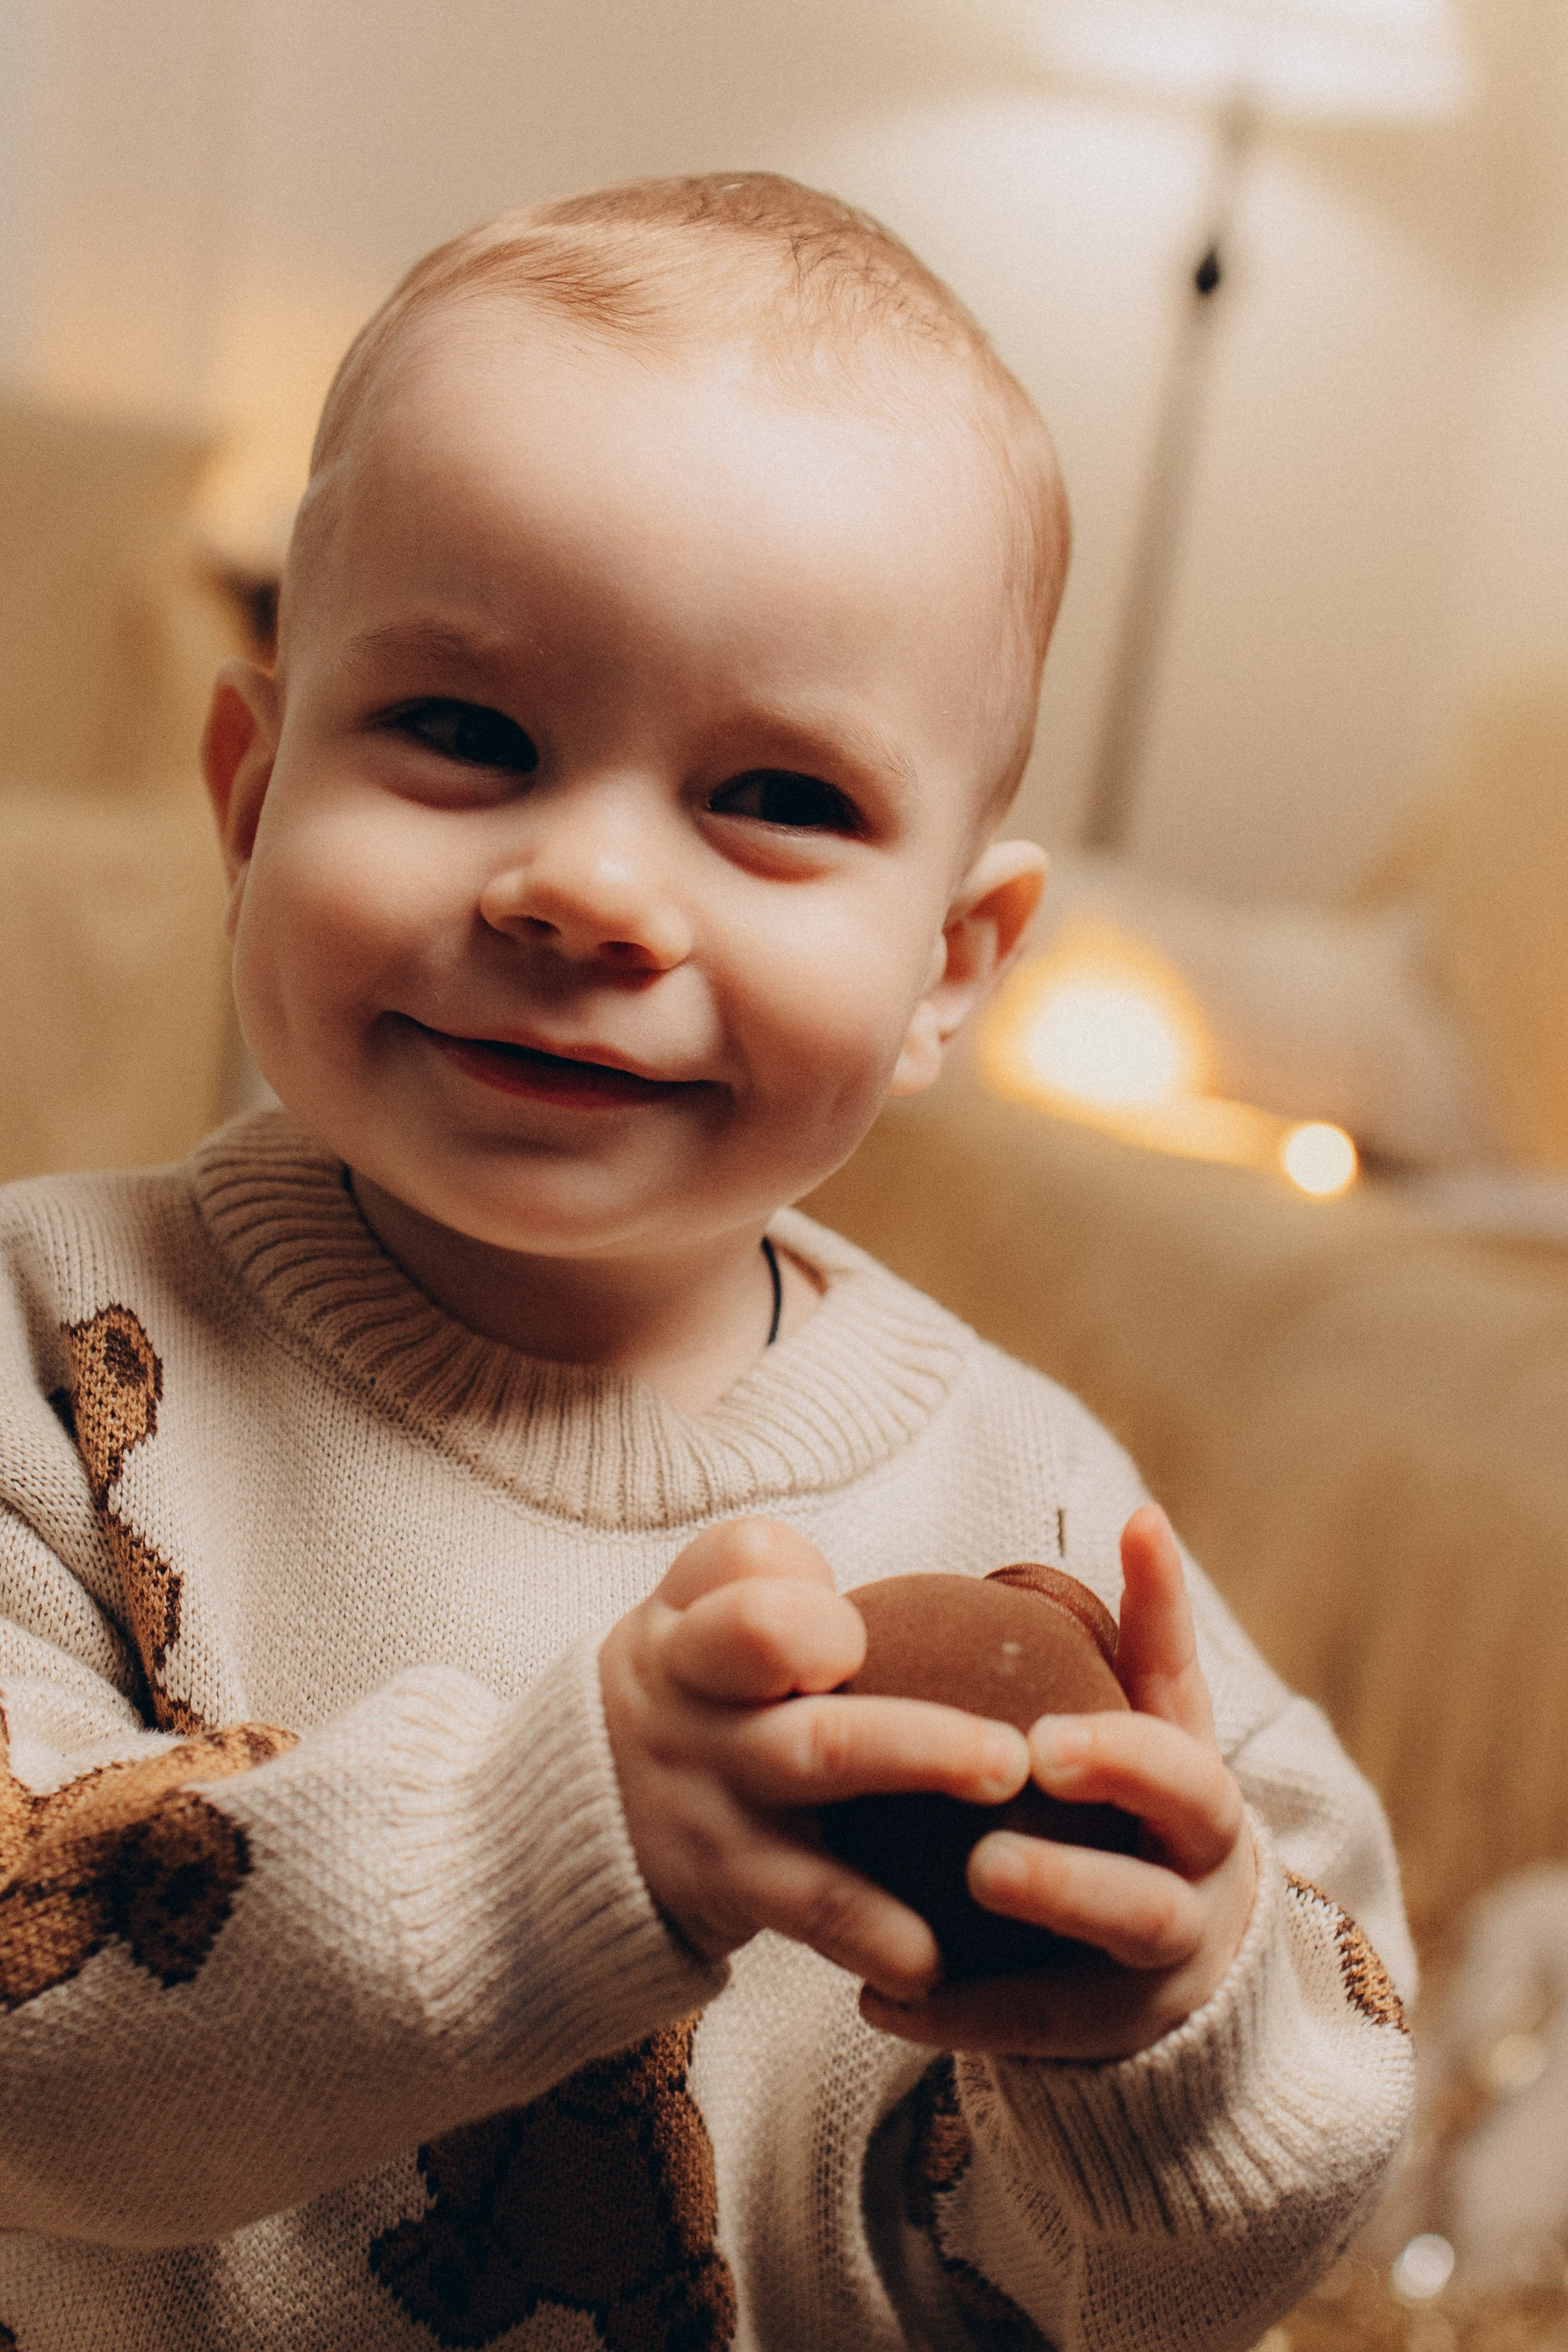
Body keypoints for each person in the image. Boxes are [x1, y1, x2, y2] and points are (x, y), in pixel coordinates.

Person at [0, 173, 1412, 2350]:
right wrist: (569, 1851)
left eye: (771, 794)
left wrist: (1164, 2036)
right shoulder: (49, 1364)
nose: (585, 888)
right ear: (250, 797)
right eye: (467, 737)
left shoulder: (1039, 1509)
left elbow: (1236, 2252)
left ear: (952, 969)